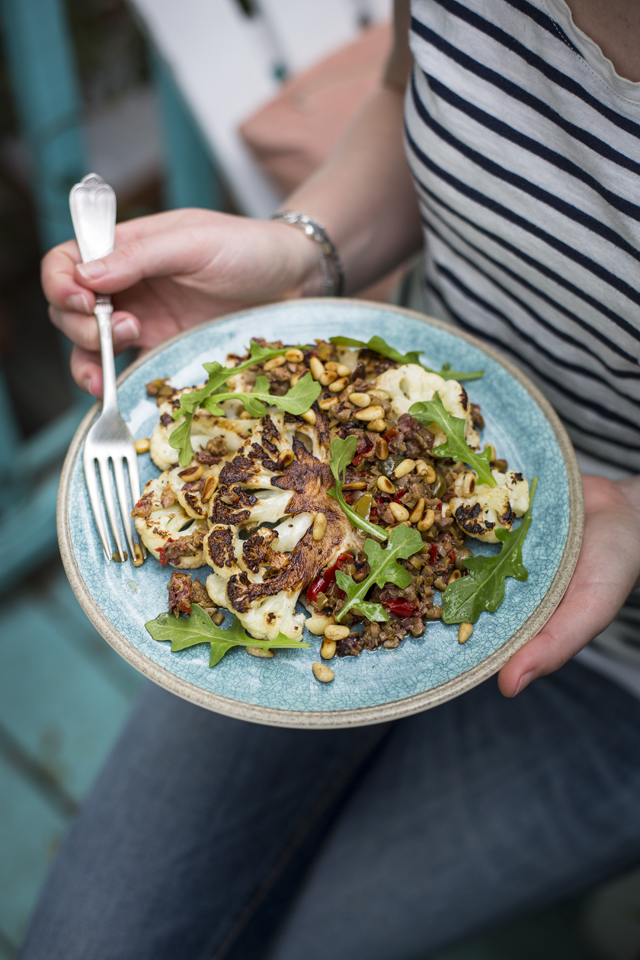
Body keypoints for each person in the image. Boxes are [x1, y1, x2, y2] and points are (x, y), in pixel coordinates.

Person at [22, 1, 640, 958]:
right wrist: (297, 256)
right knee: (93, 943)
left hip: (622, 677)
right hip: (389, 486)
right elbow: (411, 93)